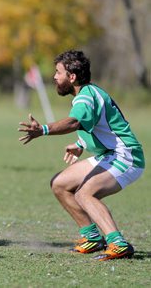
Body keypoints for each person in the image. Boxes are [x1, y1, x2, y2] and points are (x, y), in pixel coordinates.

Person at [18, 50, 145, 261]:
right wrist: (79, 144)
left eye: (58, 72)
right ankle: (93, 238)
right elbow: (97, 125)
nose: (55, 77)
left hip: (127, 156)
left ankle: (118, 243)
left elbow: (74, 122)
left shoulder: (86, 97)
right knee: (60, 184)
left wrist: (43, 129)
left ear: (72, 76)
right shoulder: (87, 94)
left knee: (85, 194)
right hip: (110, 153)